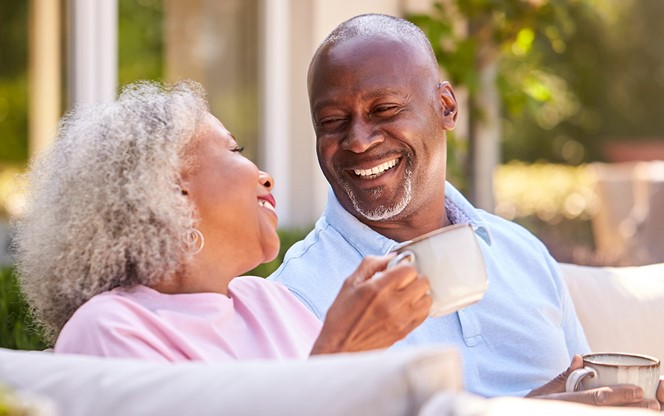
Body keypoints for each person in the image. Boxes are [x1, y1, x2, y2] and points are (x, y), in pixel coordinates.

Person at [268, 13, 664, 409]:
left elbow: (584, 389)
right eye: (332, 121)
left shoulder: (520, 253)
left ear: (446, 107)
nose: (357, 141)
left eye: (384, 109)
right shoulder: (299, 294)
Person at [13, 80, 432, 362]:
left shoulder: (273, 303)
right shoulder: (110, 328)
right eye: (234, 151)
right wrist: (339, 355)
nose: (266, 176)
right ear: (170, 190)